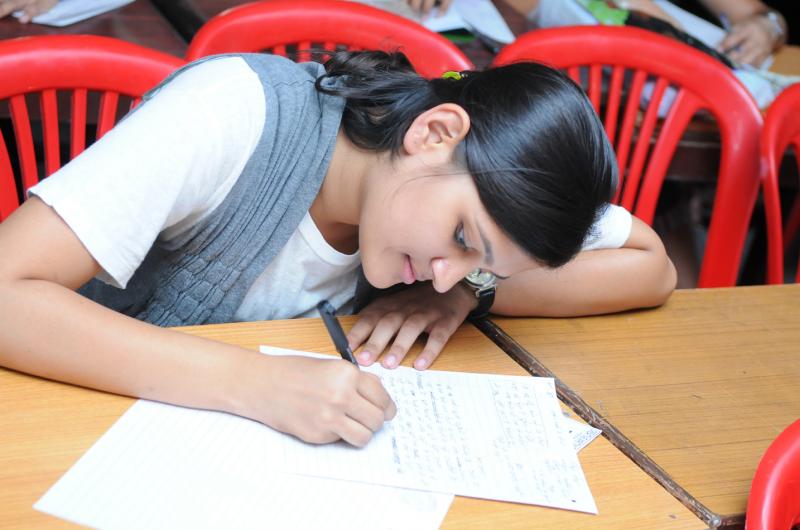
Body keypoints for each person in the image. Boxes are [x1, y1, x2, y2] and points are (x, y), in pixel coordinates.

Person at [0, 50, 676, 448]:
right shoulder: (234, 110)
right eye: (462, 239)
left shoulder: (466, 221)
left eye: (480, 265)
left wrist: (471, 294)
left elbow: (651, 267)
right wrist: (252, 383)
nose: (447, 276)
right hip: (61, 428)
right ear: (435, 132)